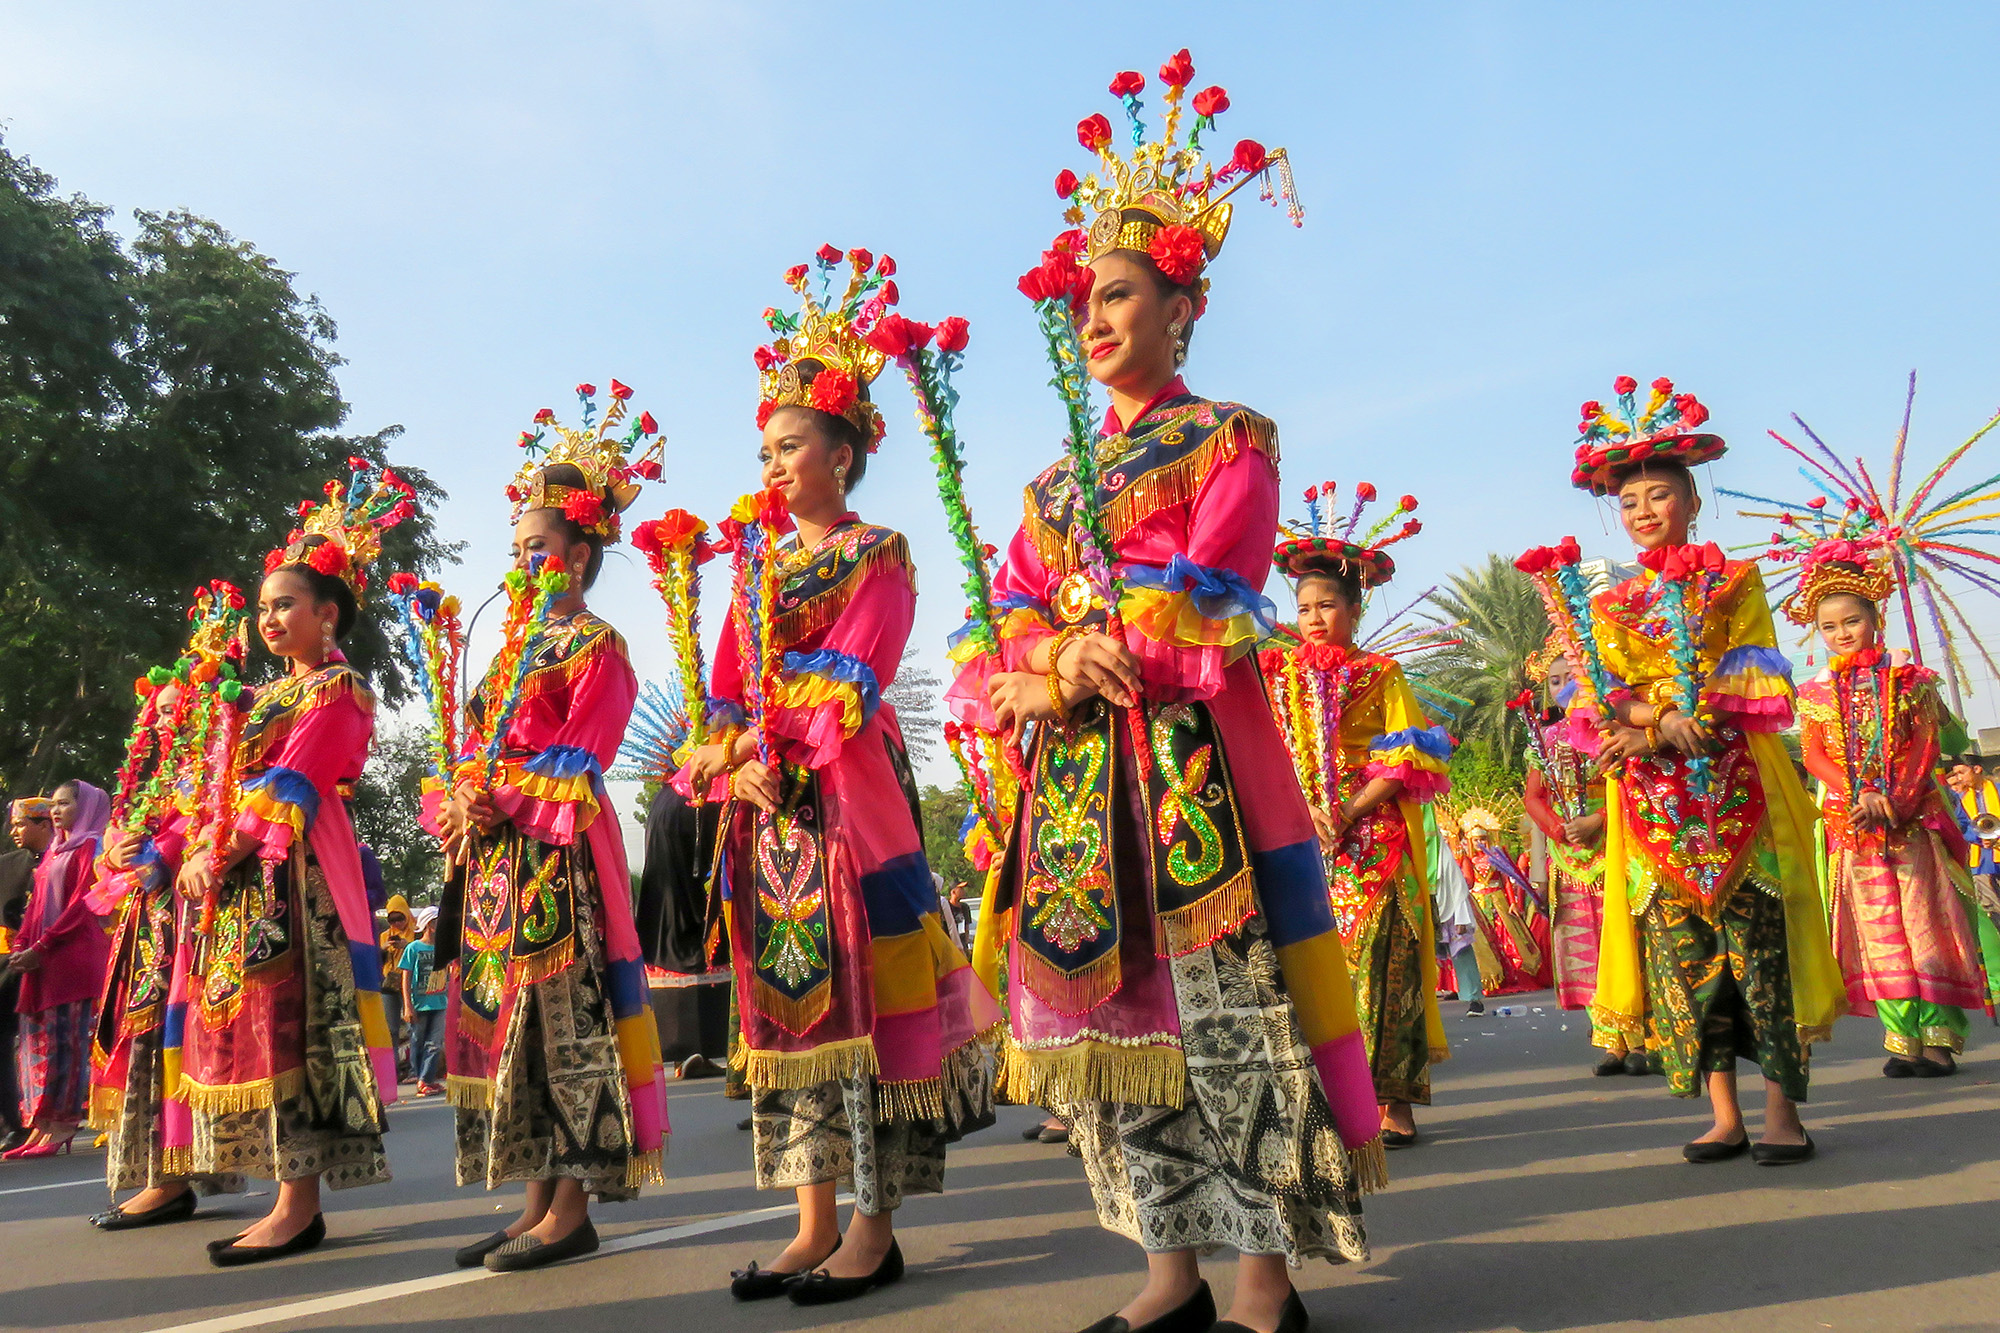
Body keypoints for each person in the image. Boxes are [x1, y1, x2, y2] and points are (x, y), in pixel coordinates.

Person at [963, 59, 1378, 1333]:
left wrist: (1106, 643)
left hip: (1190, 764)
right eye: (1082, 298)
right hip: (1080, 785)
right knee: (1116, 1024)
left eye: (1119, 294)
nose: (1094, 317)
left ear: (1181, 307)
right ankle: (1166, 1270)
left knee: (1226, 1014)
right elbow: (999, 620)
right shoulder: (1049, 487)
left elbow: (1220, 592)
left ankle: (1263, 1285)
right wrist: (1040, 665)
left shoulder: (1228, 438)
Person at [682, 250, 993, 1308]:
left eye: (791, 444)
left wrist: (769, 743)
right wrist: (732, 760)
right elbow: (718, 700)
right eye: (764, 448)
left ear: (843, 450)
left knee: (866, 1012)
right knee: (790, 1014)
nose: (772, 462)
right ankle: (809, 1219)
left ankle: (873, 1225)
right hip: (770, 826)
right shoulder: (755, 570)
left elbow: (852, 679)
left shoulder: (880, 554)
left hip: (848, 812)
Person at [1570, 377, 1844, 1166]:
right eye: (1631, 502)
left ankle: (1782, 1112)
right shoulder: (1606, 599)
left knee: (1761, 954)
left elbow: (1754, 684)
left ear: (1692, 502)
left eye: (1660, 495)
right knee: (1685, 962)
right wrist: (1651, 726)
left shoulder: (1735, 582)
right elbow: (1597, 698)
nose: (1645, 510)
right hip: (1655, 807)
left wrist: (1658, 727)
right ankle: (1724, 1114)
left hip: (1735, 795)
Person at [432, 388, 669, 1273]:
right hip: (500, 864)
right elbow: (473, 751)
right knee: (514, 1035)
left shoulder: (598, 648)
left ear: (579, 555)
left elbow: (580, 760)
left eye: (539, 547)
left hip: (559, 859)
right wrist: (462, 797)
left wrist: (502, 797)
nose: (525, 560)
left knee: (568, 1024)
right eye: (518, 547)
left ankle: (573, 1206)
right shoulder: (504, 656)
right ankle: (531, 1196)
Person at [175, 461, 414, 1263]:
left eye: (287, 605)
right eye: (264, 607)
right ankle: (282, 1191)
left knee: (295, 1025)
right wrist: (201, 848)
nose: (270, 619)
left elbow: (291, 784)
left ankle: (297, 1203)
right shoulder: (264, 696)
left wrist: (223, 847)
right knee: (256, 1025)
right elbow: (218, 785)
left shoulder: (336, 689)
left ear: (328, 612)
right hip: (246, 876)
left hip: (298, 874)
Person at [1261, 485, 1452, 1150]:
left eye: (1327, 605)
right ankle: (1330, 1099)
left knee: (1382, 967)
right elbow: (1266, 751)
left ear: (1355, 607)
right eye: (1304, 606)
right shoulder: (1274, 670)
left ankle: (1393, 1100)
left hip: (1374, 841)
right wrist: (1302, 808)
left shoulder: (1382, 673)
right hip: (1301, 837)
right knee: (1316, 971)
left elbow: (1407, 761)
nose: (1314, 617)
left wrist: (1347, 806)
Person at [1786, 544, 1987, 1076]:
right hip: (1854, 828)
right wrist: (1859, 797)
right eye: (1830, 627)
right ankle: (1902, 1039)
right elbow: (1812, 756)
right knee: (1880, 934)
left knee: (1926, 926)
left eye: (1852, 620)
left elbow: (1924, 748)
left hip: (1910, 822)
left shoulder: (1913, 682)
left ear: (1876, 620)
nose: (1842, 633)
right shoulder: (1813, 694)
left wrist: (1892, 802)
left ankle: (1940, 1040)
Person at [87, 585, 251, 1228]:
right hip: (146, 926)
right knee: (141, 1047)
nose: (160, 721)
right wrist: (115, 850)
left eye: (172, 710)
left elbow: (220, 826)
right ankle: (155, 1175)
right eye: (156, 712)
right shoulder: (159, 776)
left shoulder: (221, 762)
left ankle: (176, 1175)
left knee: (173, 1042)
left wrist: (162, 853)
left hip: (189, 922)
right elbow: (118, 849)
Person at [1521, 646, 1644, 1074]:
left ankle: (1648, 1036)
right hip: (1568, 856)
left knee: (1626, 935)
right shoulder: (1544, 740)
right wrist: (1561, 829)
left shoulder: (1613, 728)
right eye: (1553, 682)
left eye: (1569, 677)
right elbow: (1534, 798)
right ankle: (1611, 1040)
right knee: (1586, 945)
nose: (1562, 688)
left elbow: (1634, 785)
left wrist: (1597, 819)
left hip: (1614, 843)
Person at [5, 779, 112, 1160]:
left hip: (71, 959)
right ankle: (41, 1124)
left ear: (85, 809)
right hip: (42, 961)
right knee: (36, 1044)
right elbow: (36, 907)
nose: (56, 811)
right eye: (53, 804)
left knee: (65, 1045)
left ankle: (63, 1124)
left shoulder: (90, 848)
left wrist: (42, 945)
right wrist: (22, 946)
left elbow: (82, 905)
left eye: (65, 804)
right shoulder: (55, 850)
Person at [1447, 807, 1550, 996]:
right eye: (1476, 840)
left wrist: (1513, 902)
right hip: (1479, 902)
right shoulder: (1467, 859)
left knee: (1508, 938)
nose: (1479, 843)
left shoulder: (1497, 856)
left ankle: (1513, 973)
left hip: (1498, 901)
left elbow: (1506, 881)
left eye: (1482, 839)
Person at [0, 798, 55, 1153]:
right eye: (14, 824)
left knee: (61, 1042)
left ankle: (49, 1120)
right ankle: (16, 1121)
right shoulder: (8, 865)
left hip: (57, 960)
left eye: (22, 823)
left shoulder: (72, 856)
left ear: (45, 823)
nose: (15, 831)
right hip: (11, 963)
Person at [398, 907, 446, 1096]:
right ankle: (421, 1077)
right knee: (418, 1041)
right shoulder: (413, 948)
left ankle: (426, 1079)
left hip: (440, 1002)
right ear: (428, 925)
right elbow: (406, 978)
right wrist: (408, 1005)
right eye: (435, 922)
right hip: (419, 1003)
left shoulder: (443, 948)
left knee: (435, 1043)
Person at [378, 893, 415, 1078]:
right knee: (390, 1029)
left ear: (407, 915)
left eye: (400, 918)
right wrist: (383, 948)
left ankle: (414, 1069)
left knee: (412, 1026)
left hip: (409, 983)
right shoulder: (385, 935)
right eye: (392, 919)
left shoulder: (416, 932)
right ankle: (391, 1071)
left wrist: (406, 945)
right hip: (389, 984)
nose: (397, 923)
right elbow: (375, 960)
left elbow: (424, 954)